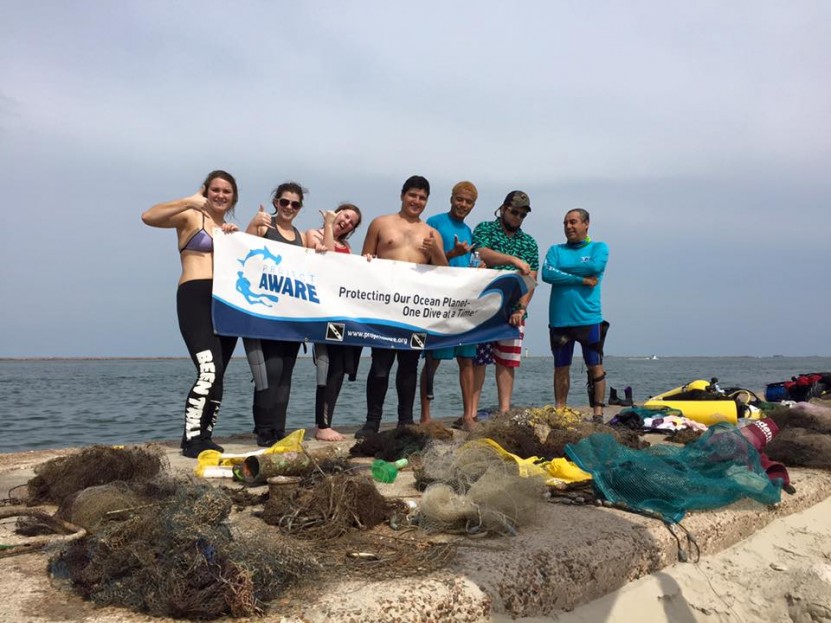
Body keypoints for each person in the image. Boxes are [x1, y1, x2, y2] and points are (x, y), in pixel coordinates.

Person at [141, 170, 240, 458]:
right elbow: (149, 216)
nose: (221, 195)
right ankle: (191, 439)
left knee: (219, 372)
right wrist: (188, 201)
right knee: (207, 370)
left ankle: (206, 435)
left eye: (227, 191)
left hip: (225, 302)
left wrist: (238, 237)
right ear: (206, 191)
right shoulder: (190, 216)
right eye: (216, 190)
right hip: (194, 295)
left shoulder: (229, 230)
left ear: (233, 198)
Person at [354, 175, 448, 438]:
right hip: (383, 306)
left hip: (414, 311)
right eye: (412, 195)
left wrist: (437, 251)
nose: (416, 201)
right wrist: (368, 261)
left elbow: (445, 275)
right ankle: (372, 421)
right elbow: (363, 263)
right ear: (402, 195)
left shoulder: (431, 233)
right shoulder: (381, 224)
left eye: (422, 198)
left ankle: (405, 421)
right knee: (380, 366)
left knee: (409, 367)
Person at [242, 182, 306, 446]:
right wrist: (251, 224)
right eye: (284, 202)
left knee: (286, 374)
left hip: (291, 317)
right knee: (270, 371)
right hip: (264, 314)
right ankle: (264, 429)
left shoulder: (300, 236)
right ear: (276, 202)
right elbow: (242, 250)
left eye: (295, 204)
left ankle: (279, 428)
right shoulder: (264, 227)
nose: (289, 207)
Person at [471, 190, 539, 416]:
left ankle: (504, 411)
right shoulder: (484, 229)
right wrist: (512, 260)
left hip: (513, 313)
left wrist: (521, 307)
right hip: (482, 309)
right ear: (503, 208)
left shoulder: (529, 242)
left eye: (522, 215)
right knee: (477, 361)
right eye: (513, 212)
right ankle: (470, 414)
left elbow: (532, 279)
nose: (517, 217)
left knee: (507, 362)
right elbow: (482, 253)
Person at [418, 181, 479, 429]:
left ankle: (467, 417)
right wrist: (452, 254)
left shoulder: (469, 230)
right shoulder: (433, 222)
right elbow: (425, 259)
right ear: (451, 198)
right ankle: (425, 416)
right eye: (459, 199)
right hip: (439, 300)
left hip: (463, 303)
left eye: (468, 202)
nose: (463, 205)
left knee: (467, 359)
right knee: (433, 359)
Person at [541, 208, 610, 423]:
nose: (569, 226)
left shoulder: (599, 247)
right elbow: (547, 274)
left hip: (588, 318)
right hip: (560, 320)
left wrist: (563, 271)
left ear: (586, 224)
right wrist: (581, 279)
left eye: (573, 222)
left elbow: (594, 265)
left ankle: (598, 414)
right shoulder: (555, 250)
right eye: (565, 223)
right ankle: (560, 411)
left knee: (595, 366)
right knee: (561, 367)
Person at [304, 204, 363, 441]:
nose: (347, 222)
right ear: (336, 212)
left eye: (352, 223)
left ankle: (327, 422)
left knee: (338, 369)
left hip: (341, 315)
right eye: (346, 216)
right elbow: (326, 261)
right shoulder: (312, 234)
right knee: (325, 365)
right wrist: (328, 225)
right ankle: (321, 425)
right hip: (319, 313)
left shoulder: (346, 247)